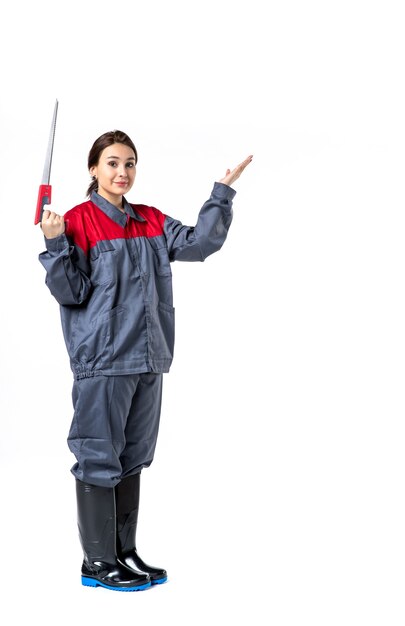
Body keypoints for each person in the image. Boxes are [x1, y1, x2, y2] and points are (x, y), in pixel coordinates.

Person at [38, 129, 252, 592]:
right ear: (93, 169)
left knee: (133, 458)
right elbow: (70, 292)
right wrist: (55, 244)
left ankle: (123, 552)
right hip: (102, 361)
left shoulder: (150, 221)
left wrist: (222, 193)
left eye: (130, 163)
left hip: (148, 359)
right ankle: (97, 563)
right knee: (98, 457)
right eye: (112, 163)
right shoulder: (74, 222)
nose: (122, 172)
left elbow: (199, 244)